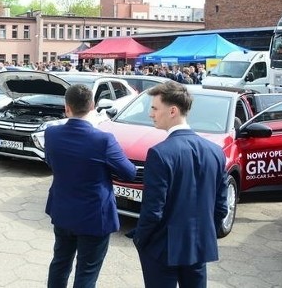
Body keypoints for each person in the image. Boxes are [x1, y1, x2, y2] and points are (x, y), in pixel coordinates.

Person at [130, 81, 227, 288]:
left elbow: (153, 210)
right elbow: (221, 206)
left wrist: (141, 239)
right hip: (198, 246)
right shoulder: (215, 151)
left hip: (163, 248)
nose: (151, 114)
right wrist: (206, 234)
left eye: (155, 108)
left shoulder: (160, 153)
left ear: (172, 110)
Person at [44, 84, 136, 288]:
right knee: (86, 272)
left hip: (63, 211)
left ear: (66, 107)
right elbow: (128, 172)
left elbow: (51, 162)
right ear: (93, 106)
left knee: (60, 263)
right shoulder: (103, 140)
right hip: (95, 217)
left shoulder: (51, 134)